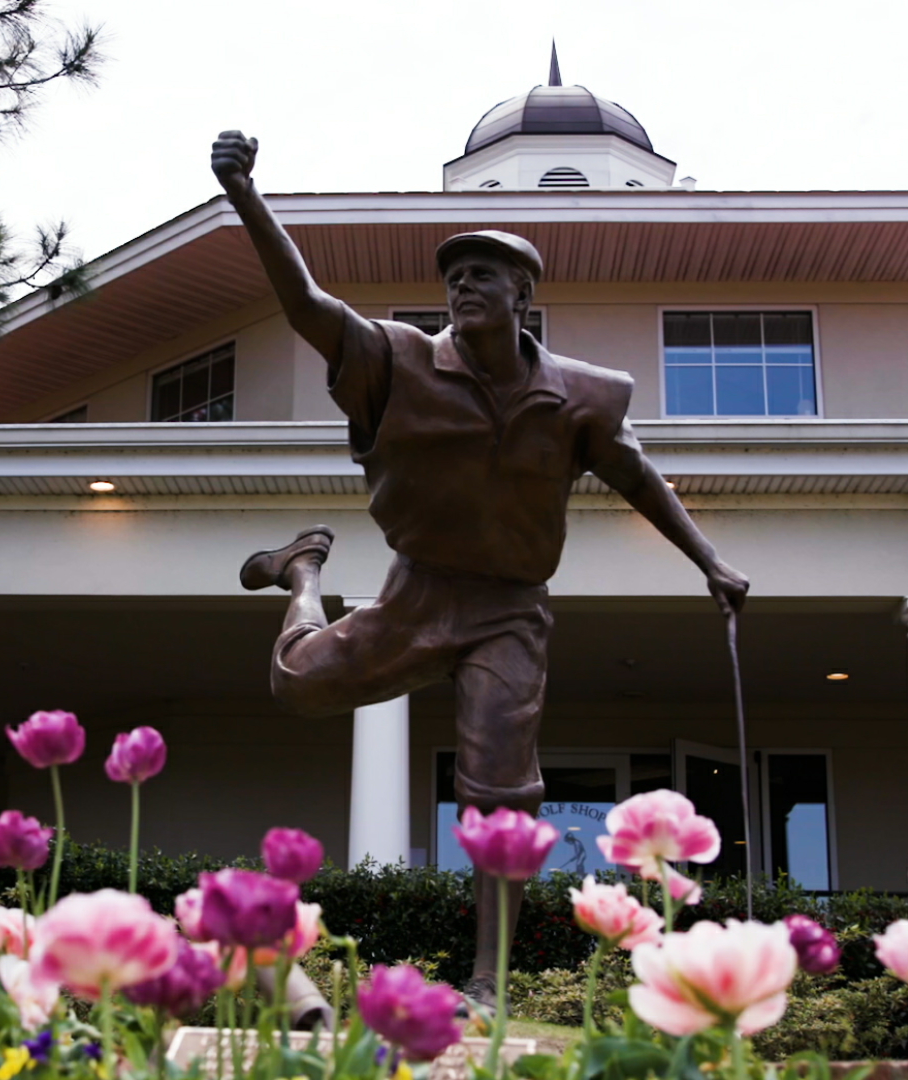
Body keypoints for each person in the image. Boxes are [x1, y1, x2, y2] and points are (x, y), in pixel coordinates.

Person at [211, 131, 750, 1012]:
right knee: (297, 685)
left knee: (501, 799)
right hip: (419, 591)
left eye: (482, 276)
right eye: (453, 277)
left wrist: (712, 561)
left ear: (523, 295)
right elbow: (305, 304)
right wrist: (246, 197)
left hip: (508, 610)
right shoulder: (399, 360)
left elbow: (633, 472)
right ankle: (305, 575)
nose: (461, 287)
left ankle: (488, 987)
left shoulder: (582, 393)